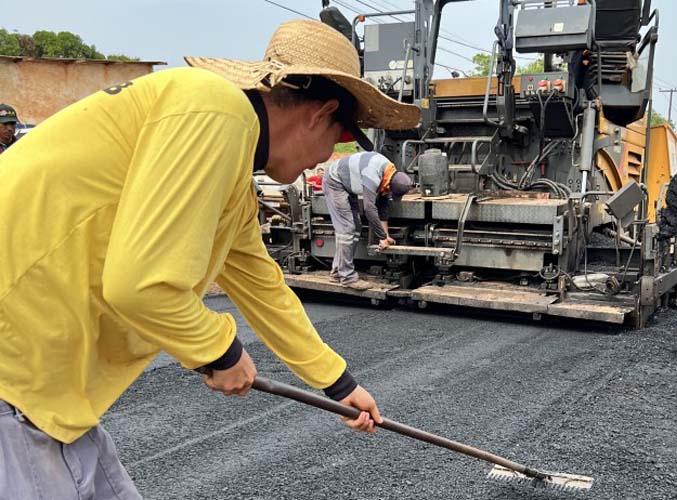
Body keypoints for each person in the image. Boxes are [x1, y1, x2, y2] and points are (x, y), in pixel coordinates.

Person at [0, 19, 419, 498]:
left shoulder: (229, 164)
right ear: (319, 113)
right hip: (15, 374)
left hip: (45, 386)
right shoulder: (213, 111)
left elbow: (263, 286)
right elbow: (142, 285)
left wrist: (339, 385)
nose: (325, 159)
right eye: (338, 140)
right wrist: (220, 352)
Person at [323, 151, 413, 290]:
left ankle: (337, 272)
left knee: (356, 227)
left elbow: (382, 209)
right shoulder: (373, 174)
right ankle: (347, 277)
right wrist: (382, 237)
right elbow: (369, 209)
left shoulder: (388, 174)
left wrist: (386, 236)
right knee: (346, 229)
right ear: (390, 185)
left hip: (346, 184)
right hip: (335, 181)